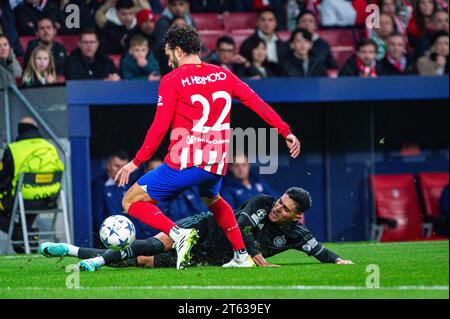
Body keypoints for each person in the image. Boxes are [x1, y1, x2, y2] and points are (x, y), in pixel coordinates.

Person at [112, 25, 301, 270]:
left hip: (185, 161)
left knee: (131, 200)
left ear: (178, 51)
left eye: (169, 54)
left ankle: (178, 234)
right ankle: (241, 255)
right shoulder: (223, 75)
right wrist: (285, 131)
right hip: (217, 163)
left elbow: (159, 128)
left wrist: (135, 162)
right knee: (213, 199)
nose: (168, 60)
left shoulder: (172, 80)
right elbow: (256, 102)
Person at [40, 188, 354, 271]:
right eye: (280, 201)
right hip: (203, 228)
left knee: (140, 262)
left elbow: (321, 252)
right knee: (158, 244)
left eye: (285, 208)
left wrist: (340, 262)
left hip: (210, 258)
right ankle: (94, 261)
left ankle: (70, 250)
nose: (277, 208)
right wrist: (256, 256)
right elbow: (242, 226)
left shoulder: (296, 235)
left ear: (297, 217)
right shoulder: (261, 202)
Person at [0, 117, 64, 253]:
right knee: (26, 202)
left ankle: (20, 235)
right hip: (49, 201)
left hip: (21, 201)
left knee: (14, 201)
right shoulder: (50, 147)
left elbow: (4, 179)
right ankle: (29, 236)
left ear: (20, 130)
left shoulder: (13, 149)